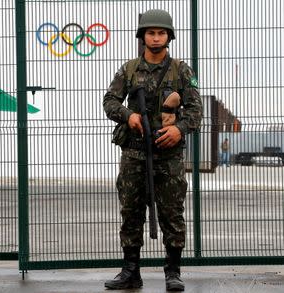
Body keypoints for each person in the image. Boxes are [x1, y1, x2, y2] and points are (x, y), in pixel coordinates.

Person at [103, 9, 202, 291]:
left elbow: (196, 111)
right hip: (134, 154)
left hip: (168, 157)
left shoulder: (181, 70)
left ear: (169, 36)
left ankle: (173, 272)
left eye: (161, 33)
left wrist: (178, 129)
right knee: (131, 212)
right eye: (151, 33)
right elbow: (110, 100)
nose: (156, 38)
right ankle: (130, 271)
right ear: (142, 36)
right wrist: (128, 116)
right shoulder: (129, 69)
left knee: (172, 213)